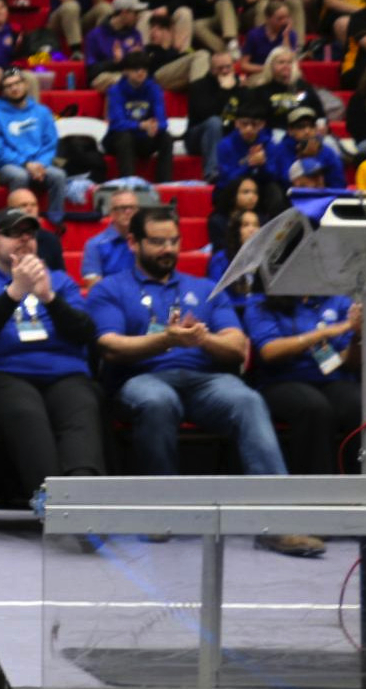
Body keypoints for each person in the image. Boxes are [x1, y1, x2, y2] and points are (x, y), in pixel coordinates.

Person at [90, 207, 319, 556]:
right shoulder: (111, 288)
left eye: (174, 241)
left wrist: (202, 339)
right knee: (157, 401)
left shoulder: (206, 288)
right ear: (133, 242)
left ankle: (276, 522)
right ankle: (160, 512)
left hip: (204, 380)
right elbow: (110, 346)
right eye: (158, 242)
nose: (168, 249)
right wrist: (165, 340)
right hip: (141, 377)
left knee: (247, 400)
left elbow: (237, 346)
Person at [0, 207, 105, 505]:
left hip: (63, 373)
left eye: (30, 234)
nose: (24, 239)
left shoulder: (59, 280)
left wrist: (49, 298)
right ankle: (54, 505)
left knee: (81, 404)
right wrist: (14, 292)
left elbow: (86, 332)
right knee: (25, 409)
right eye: (13, 233)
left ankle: (84, 503)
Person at [246, 293, 362, 493]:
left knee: (359, 405)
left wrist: (357, 336)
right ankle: (316, 493)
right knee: (314, 408)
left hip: (333, 378)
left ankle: (359, 488)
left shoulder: (338, 301)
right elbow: (269, 351)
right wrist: (322, 333)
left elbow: (349, 362)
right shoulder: (261, 302)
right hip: (281, 380)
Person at [0, 68, 66, 225]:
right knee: (20, 176)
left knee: (59, 176)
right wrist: (26, 164)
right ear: (3, 91)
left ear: (25, 85)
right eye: (9, 86)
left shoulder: (42, 112)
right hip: (10, 165)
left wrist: (40, 164)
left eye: (17, 83)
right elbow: (0, 151)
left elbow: (50, 143)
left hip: (39, 164)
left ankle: (55, 222)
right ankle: (16, 221)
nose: (14, 88)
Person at [103, 51, 172, 182]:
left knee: (166, 138)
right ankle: (129, 182)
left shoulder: (154, 89)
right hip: (119, 140)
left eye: (144, 69)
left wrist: (155, 126)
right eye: (135, 69)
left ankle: (164, 183)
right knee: (124, 136)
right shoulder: (116, 90)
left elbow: (163, 121)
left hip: (144, 138)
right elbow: (117, 123)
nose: (140, 72)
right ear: (126, 71)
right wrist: (141, 125)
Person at [187, 51, 246, 168]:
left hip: (229, 133)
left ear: (233, 66)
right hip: (198, 136)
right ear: (211, 69)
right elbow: (206, 114)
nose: (225, 71)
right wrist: (224, 91)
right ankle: (213, 171)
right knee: (214, 122)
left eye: (228, 67)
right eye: (220, 68)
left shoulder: (240, 85)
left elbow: (246, 111)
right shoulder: (198, 86)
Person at [82, 188, 143, 287]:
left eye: (132, 207)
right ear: (112, 213)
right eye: (122, 208)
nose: (128, 211)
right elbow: (94, 287)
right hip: (111, 296)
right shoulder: (94, 245)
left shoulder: (147, 240)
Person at [84, 0, 146, 90]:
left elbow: (141, 68)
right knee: (125, 81)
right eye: (136, 13)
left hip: (129, 75)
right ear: (124, 13)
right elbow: (91, 71)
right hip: (103, 77)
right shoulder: (95, 35)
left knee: (141, 80)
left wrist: (138, 58)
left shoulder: (135, 34)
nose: (138, 17)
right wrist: (115, 62)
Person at [276, 106, 346, 189]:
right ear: (290, 130)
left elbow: (338, 183)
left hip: (323, 195)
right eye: (300, 127)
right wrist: (305, 160)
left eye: (311, 126)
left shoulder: (327, 152)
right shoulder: (280, 150)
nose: (307, 131)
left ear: (316, 128)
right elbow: (285, 181)